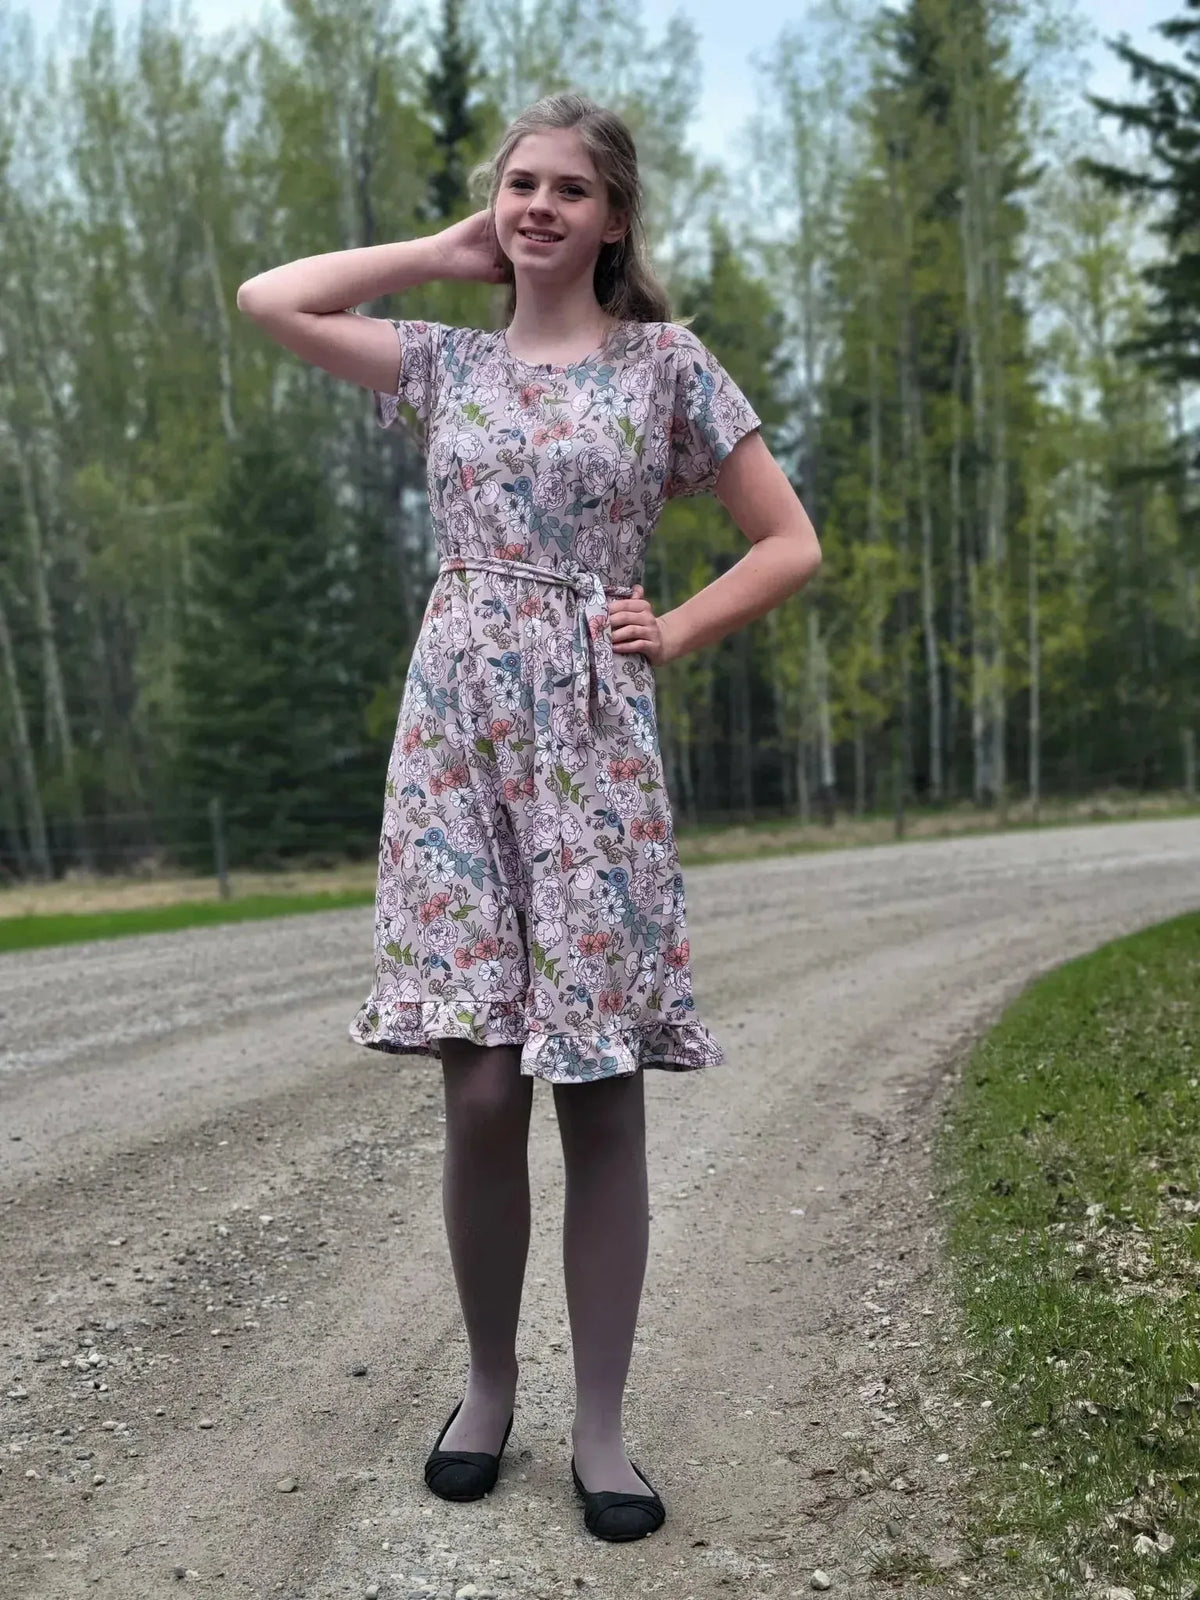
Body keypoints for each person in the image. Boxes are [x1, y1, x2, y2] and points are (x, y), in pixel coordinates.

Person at [236, 90, 821, 1544]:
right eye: (518, 186)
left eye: (570, 188)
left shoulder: (667, 367)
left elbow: (790, 539)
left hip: (592, 742)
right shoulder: (440, 363)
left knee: (597, 1086)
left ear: (616, 216)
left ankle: (604, 1427)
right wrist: (438, 256)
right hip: (453, 737)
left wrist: (671, 631)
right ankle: (489, 1388)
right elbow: (270, 297)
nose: (539, 206)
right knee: (481, 1082)